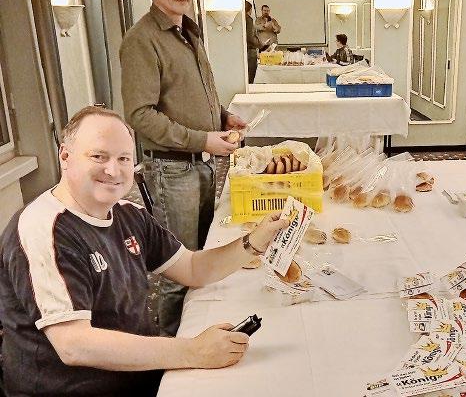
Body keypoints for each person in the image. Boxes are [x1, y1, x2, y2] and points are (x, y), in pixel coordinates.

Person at [0, 106, 288, 396]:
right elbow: (74, 344)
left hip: (139, 374)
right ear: (65, 156)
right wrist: (193, 351)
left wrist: (255, 242)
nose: (113, 170)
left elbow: (192, 269)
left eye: (123, 158)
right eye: (98, 156)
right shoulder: (44, 228)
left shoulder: (128, 214)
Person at [119, 0, 247, 336]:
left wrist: (222, 116)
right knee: (178, 269)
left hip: (200, 164)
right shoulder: (142, 40)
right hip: (171, 170)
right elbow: (140, 115)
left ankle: (199, 335)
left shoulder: (189, 32)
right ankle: (173, 351)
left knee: (203, 256)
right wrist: (203, 139)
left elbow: (194, 93)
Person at [245, 0, 262, 84]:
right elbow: (250, 37)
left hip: (244, 50)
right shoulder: (249, 19)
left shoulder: (240, 19)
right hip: (250, 51)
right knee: (251, 75)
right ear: (250, 9)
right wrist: (260, 44)